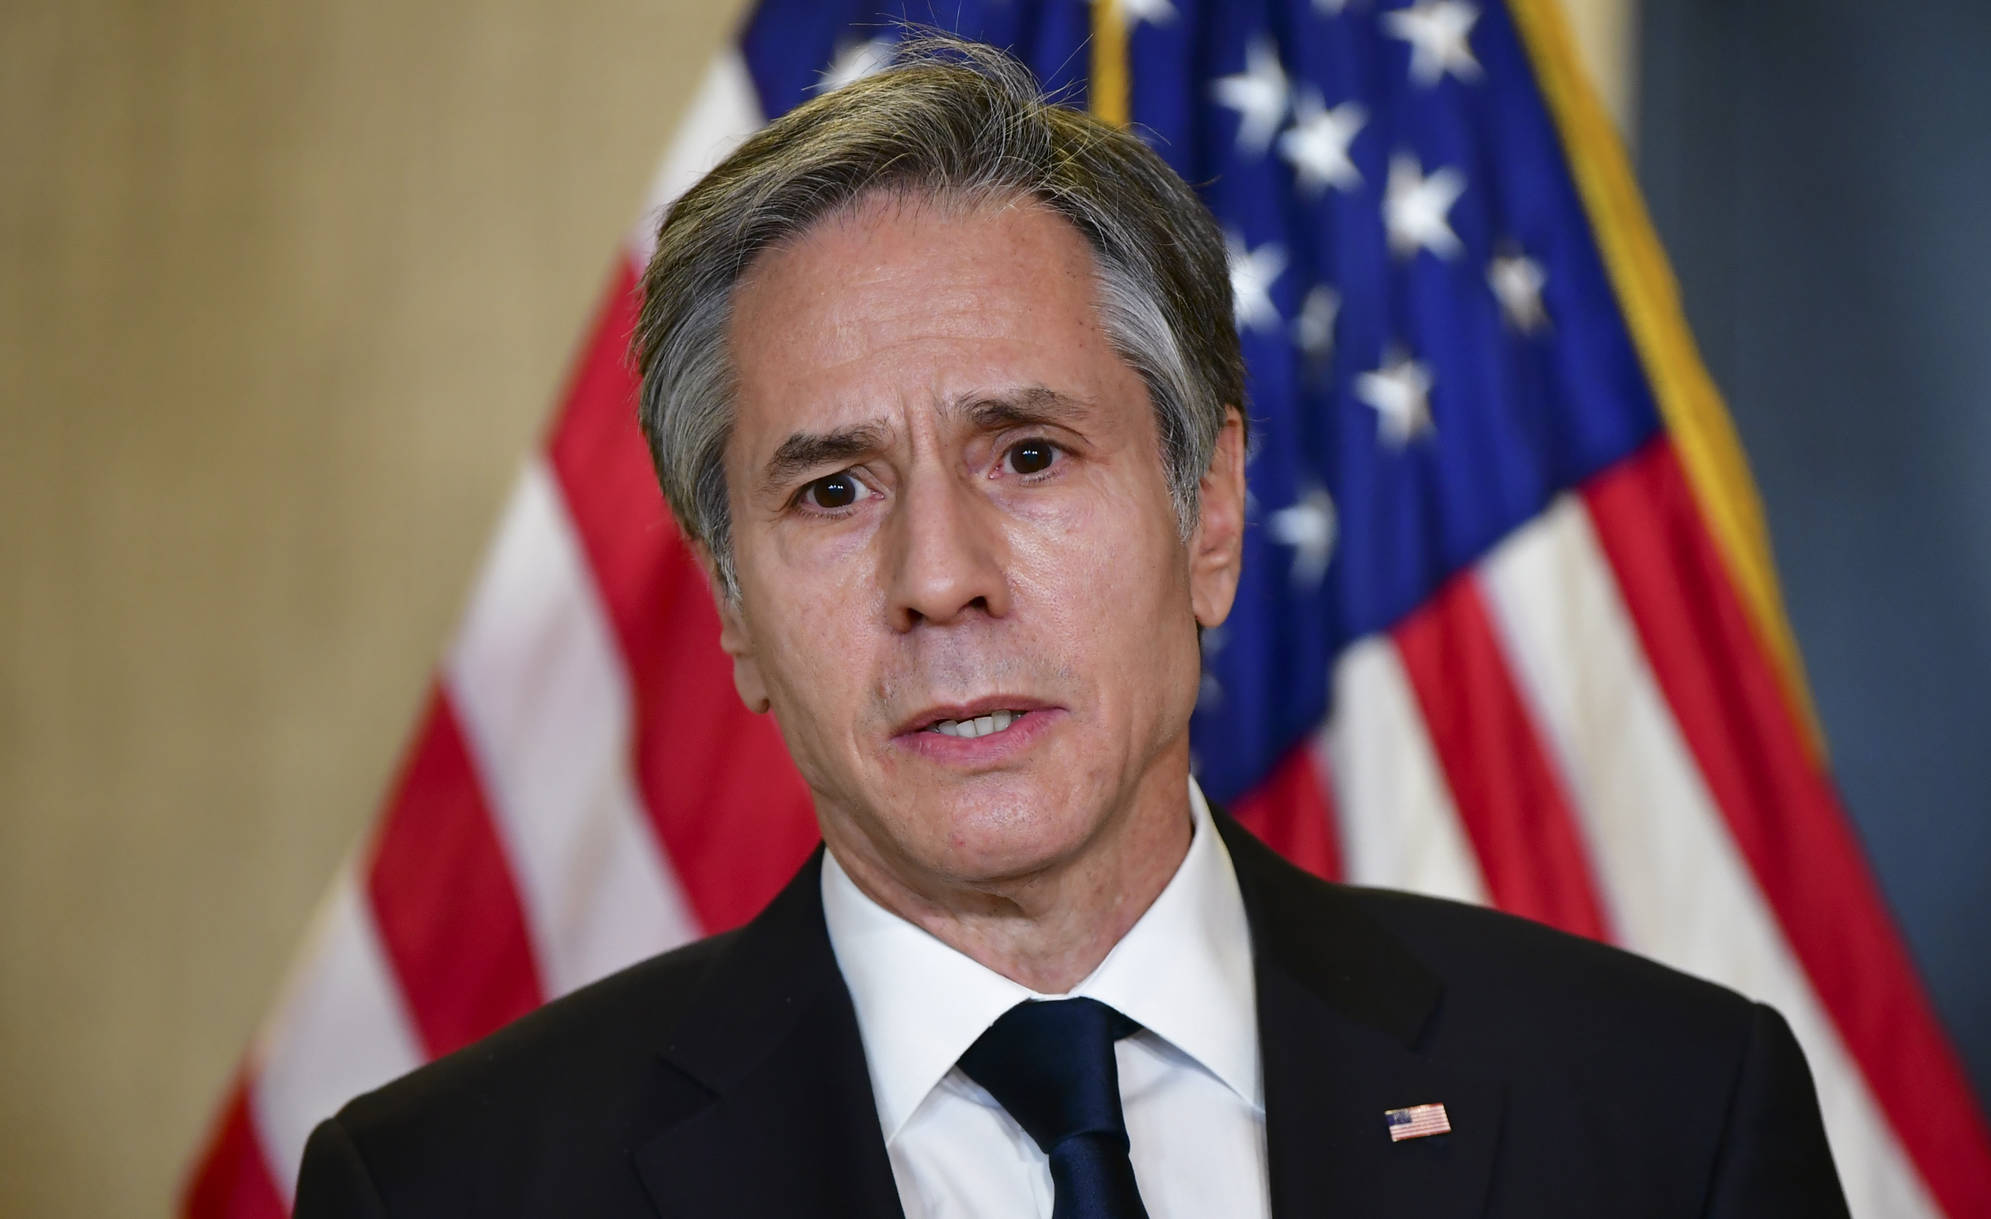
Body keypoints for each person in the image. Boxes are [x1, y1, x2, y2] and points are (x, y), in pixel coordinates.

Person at [294, 36, 1850, 1219]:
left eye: (1028, 456)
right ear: (735, 615)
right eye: (833, 492)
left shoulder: (1662, 1116)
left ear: (1211, 515)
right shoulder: (450, 1190)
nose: (940, 576)